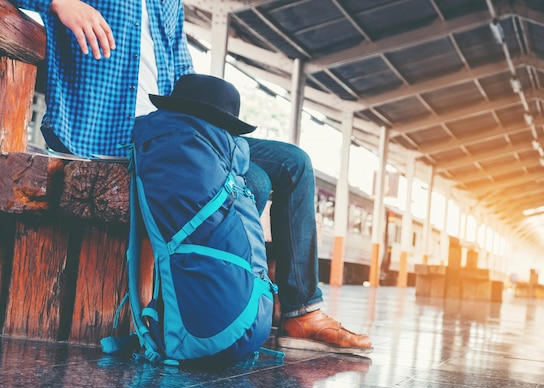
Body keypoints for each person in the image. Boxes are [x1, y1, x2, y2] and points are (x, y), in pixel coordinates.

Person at [13, 0, 372, 355]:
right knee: (256, 182)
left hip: (174, 128)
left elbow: (180, 68)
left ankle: (300, 313)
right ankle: (208, 303)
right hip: (112, 134)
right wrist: (60, 3)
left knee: (294, 162)